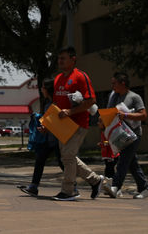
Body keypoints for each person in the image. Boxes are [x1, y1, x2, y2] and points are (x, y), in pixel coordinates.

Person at [52, 46, 104, 201]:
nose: (60, 61)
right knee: (68, 157)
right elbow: (56, 103)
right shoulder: (58, 78)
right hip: (62, 125)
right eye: (59, 58)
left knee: (67, 156)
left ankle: (69, 191)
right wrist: (47, 124)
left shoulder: (81, 77)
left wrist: (70, 112)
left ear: (73, 59)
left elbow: (91, 101)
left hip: (78, 124)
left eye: (63, 58)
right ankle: (95, 180)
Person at [102, 72, 148, 199]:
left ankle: (116, 187)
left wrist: (126, 115)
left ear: (122, 83)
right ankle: (144, 188)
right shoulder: (114, 97)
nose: (112, 86)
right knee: (131, 163)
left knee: (123, 161)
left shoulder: (134, 97)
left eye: (114, 83)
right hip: (119, 134)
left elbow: (143, 115)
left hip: (133, 134)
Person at [18, 79, 64, 197]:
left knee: (62, 162)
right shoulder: (46, 102)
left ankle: (74, 186)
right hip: (47, 138)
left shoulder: (57, 103)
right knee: (40, 159)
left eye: (43, 87)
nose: (41, 90)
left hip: (58, 138)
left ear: (48, 89)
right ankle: (34, 186)